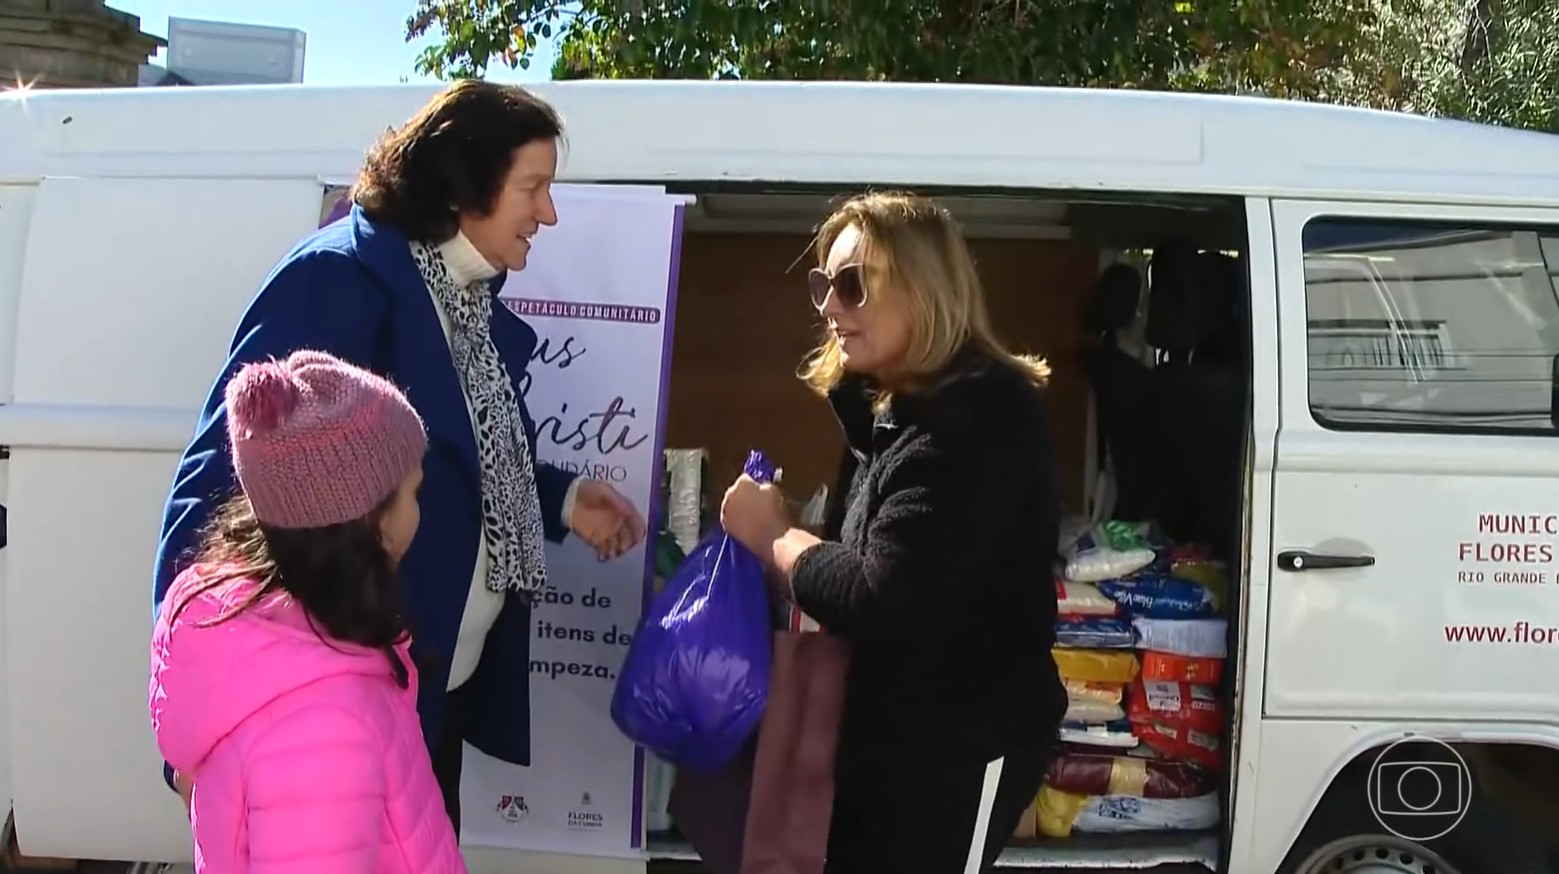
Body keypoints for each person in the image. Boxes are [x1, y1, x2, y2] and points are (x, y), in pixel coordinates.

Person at [151, 80, 646, 831]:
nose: (548, 213)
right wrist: (191, 718)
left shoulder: (462, 296)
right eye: (533, 188)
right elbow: (216, 486)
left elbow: (453, 454)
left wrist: (564, 499)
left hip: (425, 687)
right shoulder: (337, 279)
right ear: (463, 184)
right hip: (343, 698)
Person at [719, 191, 1067, 872]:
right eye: (823, 284)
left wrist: (775, 535)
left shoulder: (971, 417)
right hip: (896, 746)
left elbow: (885, 596)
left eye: (851, 284)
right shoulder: (903, 407)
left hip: (953, 754)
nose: (827, 305)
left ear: (922, 288)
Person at [149, 350, 465, 873]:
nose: (420, 509)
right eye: (414, 490)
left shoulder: (266, 637)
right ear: (372, 524)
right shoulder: (325, 730)